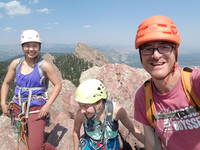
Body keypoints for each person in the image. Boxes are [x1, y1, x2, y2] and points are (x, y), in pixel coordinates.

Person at [133, 15, 200, 150]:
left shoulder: (194, 82)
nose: (156, 55)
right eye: (147, 48)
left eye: (164, 47)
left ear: (175, 52)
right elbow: (153, 144)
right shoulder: (144, 96)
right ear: (140, 56)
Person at [1, 29, 62, 150]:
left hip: (37, 109)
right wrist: (3, 103)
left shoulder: (44, 66)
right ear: (22, 47)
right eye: (27, 46)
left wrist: (47, 106)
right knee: (23, 139)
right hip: (18, 107)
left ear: (39, 47)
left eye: (35, 46)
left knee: (35, 147)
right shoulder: (16, 64)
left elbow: (58, 85)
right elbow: (6, 83)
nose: (31, 49)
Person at [73, 79, 144, 150]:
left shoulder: (116, 111)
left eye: (85, 106)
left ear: (99, 102)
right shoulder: (81, 115)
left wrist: (150, 144)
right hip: (90, 144)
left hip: (111, 146)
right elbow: (76, 132)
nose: (82, 111)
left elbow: (132, 128)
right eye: (80, 105)